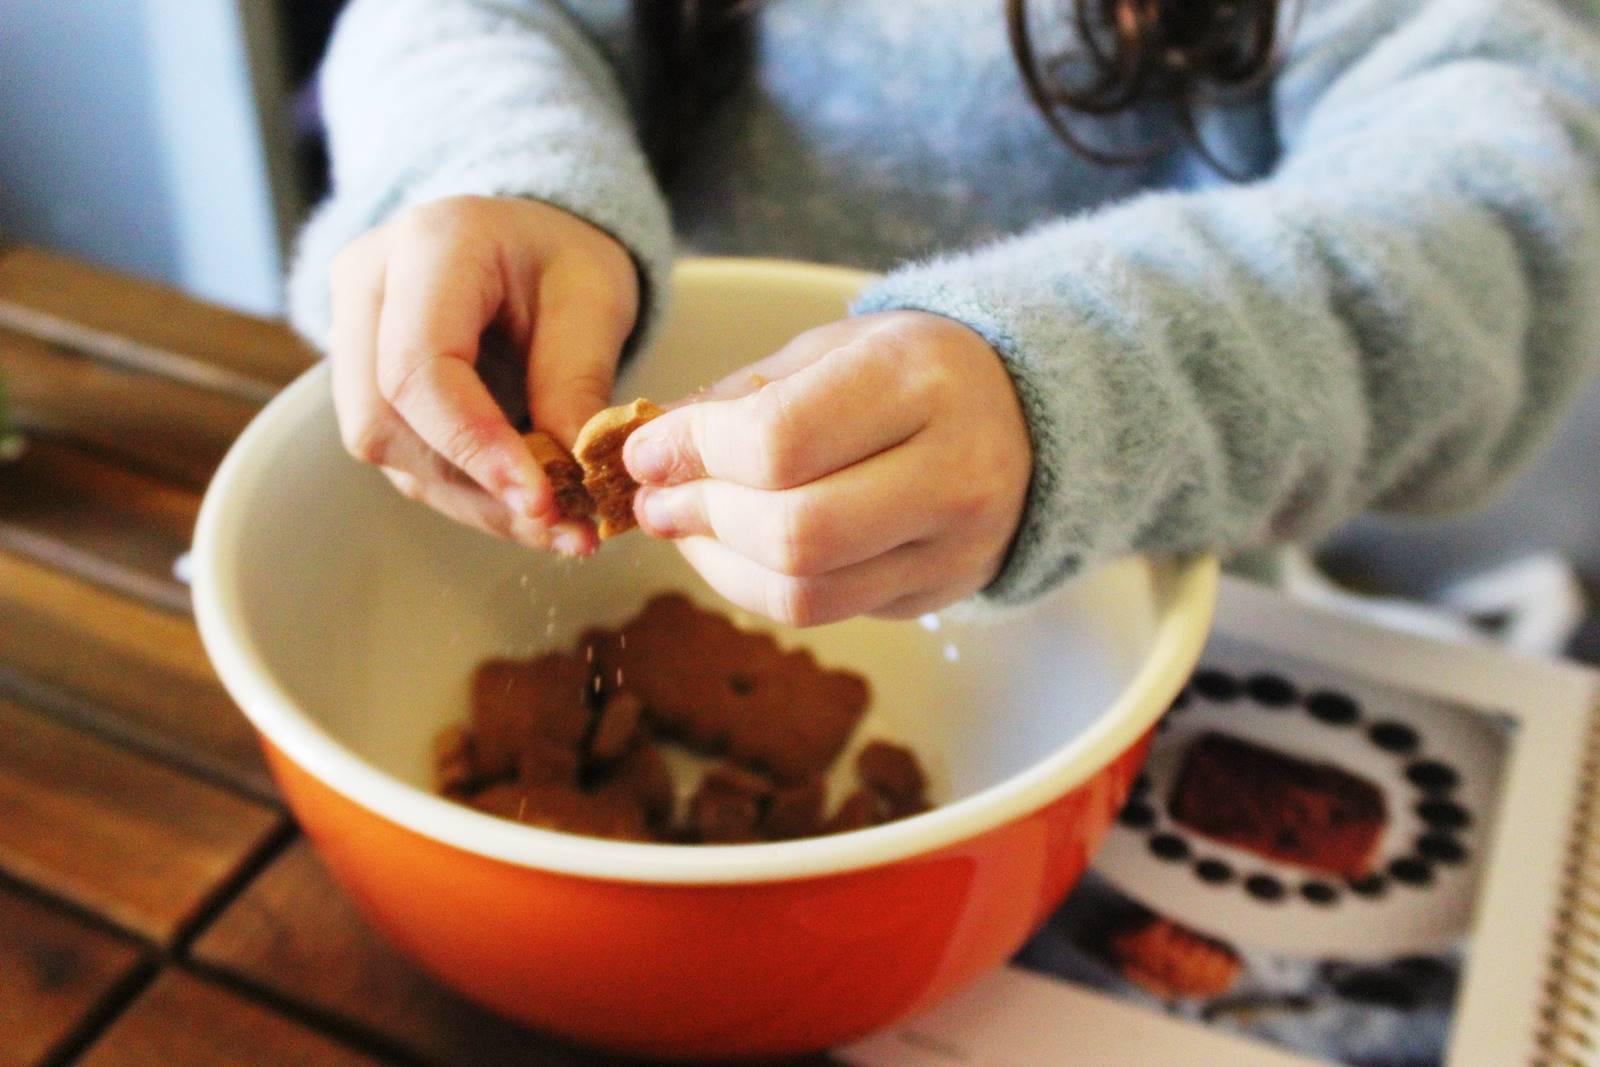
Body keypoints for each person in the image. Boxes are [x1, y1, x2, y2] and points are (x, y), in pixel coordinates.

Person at [287, 0, 1600, 629]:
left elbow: (1497, 218)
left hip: (1116, 650)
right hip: (597, 591)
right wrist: (485, 172)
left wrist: (1074, 390)